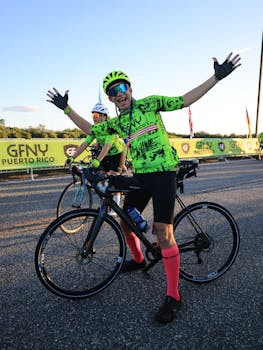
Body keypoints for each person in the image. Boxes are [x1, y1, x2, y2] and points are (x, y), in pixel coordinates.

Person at [47, 52, 241, 323]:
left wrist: (216, 78)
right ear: (112, 99)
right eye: (113, 92)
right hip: (141, 176)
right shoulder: (117, 123)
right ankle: (139, 260)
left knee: (163, 232)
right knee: (127, 222)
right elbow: (91, 129)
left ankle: (174, 295)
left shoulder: (150, 105)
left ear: (130, 89)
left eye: (122, 88)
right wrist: (66, 109)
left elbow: (184, 100)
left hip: (163, 173)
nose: (119, 94)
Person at [64, 101, 127, 215]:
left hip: (117, 153)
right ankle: (108, 199)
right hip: (106, 154)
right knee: (101, 178)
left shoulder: (110, 129)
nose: (94, 118)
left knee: (113, 179)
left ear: (104, 116)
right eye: (93, 115)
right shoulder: (96, 129)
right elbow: (85, 143)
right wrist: (72, 157)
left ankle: (115, 207)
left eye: (97, 115)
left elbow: (107, 146)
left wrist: (97, 160)